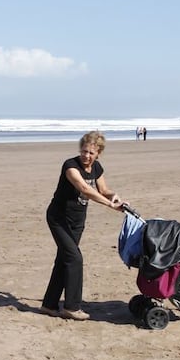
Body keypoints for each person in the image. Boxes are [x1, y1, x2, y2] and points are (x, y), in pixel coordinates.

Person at [40, 131, 124, 320]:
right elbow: (85, 188)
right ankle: (71, 307)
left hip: (77, 221)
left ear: (98, 154)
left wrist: (113, 196)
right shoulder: (70, 166)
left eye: (91, 153)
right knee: (75, 259)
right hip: (58, 218)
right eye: (84, 151)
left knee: (64, 260)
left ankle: (49, 305)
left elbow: (103, 189)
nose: (86, 156)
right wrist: (109, 205)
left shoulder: (96, 167)